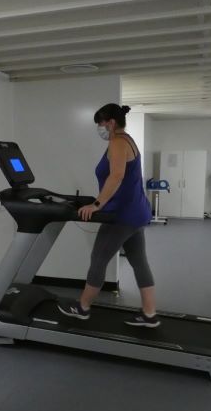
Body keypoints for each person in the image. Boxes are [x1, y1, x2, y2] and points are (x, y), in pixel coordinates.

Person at [57, 103, 159, 328]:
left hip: (121, 215)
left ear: (110, 123)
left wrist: (96, 204)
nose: (99, 129)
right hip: (136, 212)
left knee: (98, 259)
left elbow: (116, 176)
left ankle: (82, 308)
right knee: (139, 261)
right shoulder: (128, 140)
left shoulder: (118, 142)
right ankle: (150, 314)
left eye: (100, 124)